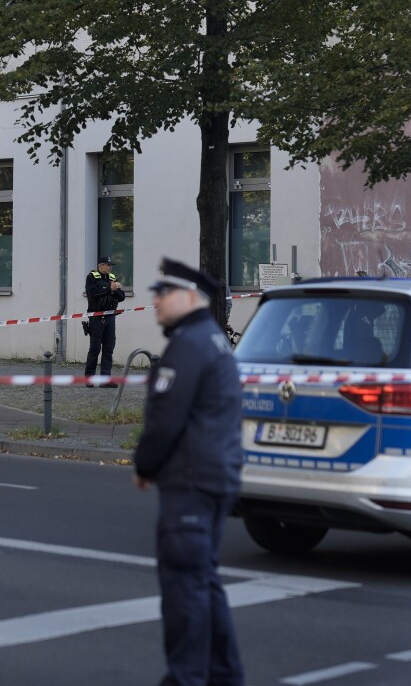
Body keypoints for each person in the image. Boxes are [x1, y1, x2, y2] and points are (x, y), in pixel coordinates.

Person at [133, 258, 245, 686]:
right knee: (203, 584)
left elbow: (167, 416)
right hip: (213, 477)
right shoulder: (212, 339)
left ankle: (186, 679)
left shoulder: (189, 344)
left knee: (184, 591)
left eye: (163, 294)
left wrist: (145, 465)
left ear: (190, 297)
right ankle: (224, 676)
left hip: (191, 480)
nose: (155, 302)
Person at [84, 255, 126, 387]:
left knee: (109, 348)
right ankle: (89, 379)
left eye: (111, 265)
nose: (110, 267)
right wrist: (110, 289)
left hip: (110, 317)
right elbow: (93, 293)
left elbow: (121, 297)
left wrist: (115, 289)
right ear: (100, 265)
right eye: (108, 265)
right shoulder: (92, 277)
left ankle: (105, 380)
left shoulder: (112, 278)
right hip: (96, 317)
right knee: (95, 348)